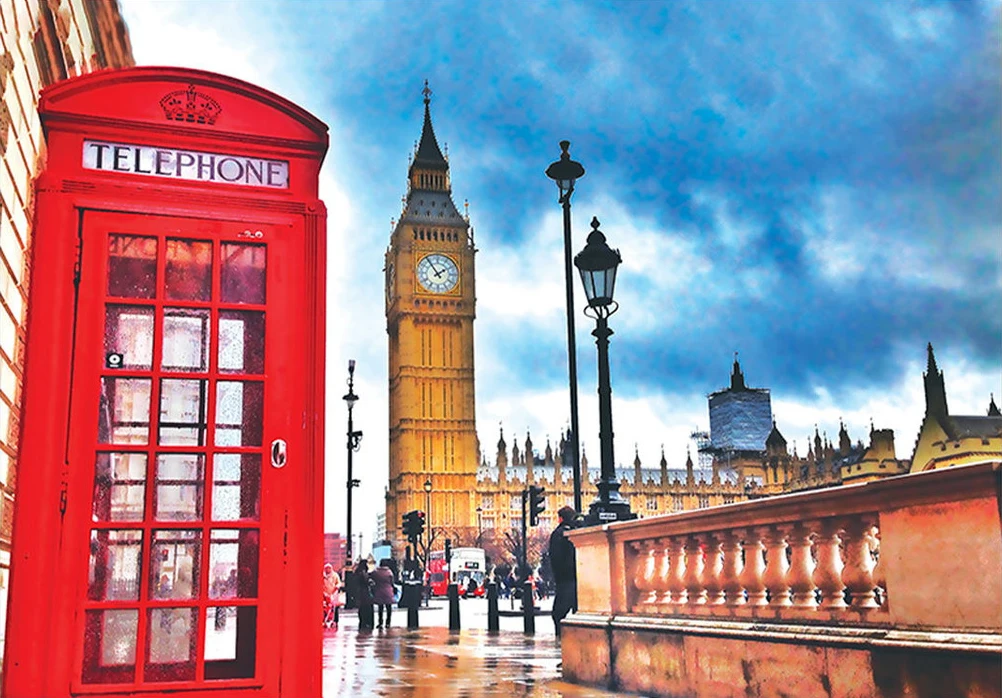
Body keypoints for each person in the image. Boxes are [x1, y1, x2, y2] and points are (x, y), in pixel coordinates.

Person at [548, 505, 578, 638]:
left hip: (565, 579)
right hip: (578, 577)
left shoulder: (559, 533)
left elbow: (556, 556)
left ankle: (561, 640)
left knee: (558, 614)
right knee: (578, 612)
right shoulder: (577, 531)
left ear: (560, 519)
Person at [371, 559, 395, 629]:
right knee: (388, 608)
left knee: (380, 608)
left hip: (379, 591)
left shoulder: (376, 572)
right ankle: (388, 623)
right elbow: (392, 582)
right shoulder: (389, 572)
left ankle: (380, 622)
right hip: (388, 591)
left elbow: (370, 577)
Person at [354, 559, 375, 630]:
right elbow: (367, 581)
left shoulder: (357, 572)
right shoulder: (363, 572)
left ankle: (362, 622)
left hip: (359, 593)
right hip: (365, 593)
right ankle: (367, 622)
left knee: (361, 608)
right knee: (367, 608)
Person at [322, 563, 342, 629]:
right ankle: (324, 620)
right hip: (324, 595)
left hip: (333, 594)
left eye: (329, 568)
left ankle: (335, 621)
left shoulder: (335, 575)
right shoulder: (322, 575)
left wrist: (337, 587)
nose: (328, 569)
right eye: (326, 568)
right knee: (324, 608)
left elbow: (339, 583)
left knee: (334, 608)